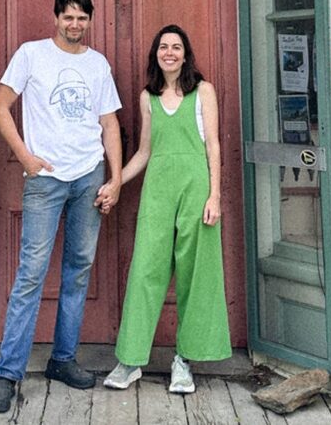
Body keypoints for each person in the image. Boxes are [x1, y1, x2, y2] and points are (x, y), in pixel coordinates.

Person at [0, 0, 123, 413]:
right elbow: (0, 107)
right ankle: (8, 373)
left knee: (78, 270)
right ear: (56, 18)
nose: (75, 24)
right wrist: (25, 157)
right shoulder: (31, 54)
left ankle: (63, 359)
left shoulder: (98, 64)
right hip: (45, 180)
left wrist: (115, 179)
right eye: (69, 16)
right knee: (31, 274)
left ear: (90, 21)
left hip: (88, 176)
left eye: (82, 17)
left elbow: (110, 124)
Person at [102, 24, 230, 395]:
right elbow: (144, 151)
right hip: (157, 191)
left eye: (176, 47)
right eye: (163, 47)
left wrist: (215, 197)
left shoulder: (202, 91)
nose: (169, 52)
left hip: (196, 190)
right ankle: (130, 360)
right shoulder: (148, 97)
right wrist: (115, 182)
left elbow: (214, 147)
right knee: (145, 271)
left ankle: (184, 361)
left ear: (185, 54)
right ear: (156, 54)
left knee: (196, 276)